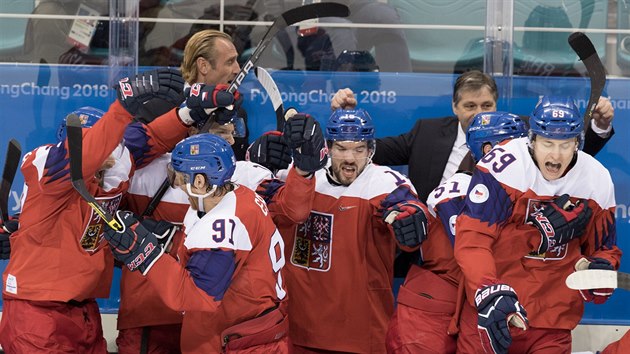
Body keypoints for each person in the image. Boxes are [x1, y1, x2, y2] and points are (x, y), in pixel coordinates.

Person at [0, 67, 205, 352]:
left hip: (84, 311)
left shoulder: (114, 164)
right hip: (37, 316)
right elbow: (85, 155)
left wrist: (187, 115)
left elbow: (151, 138)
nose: (109, 154)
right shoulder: (48, 164)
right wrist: (123, 106)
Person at [115, 29, 259, 354]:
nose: (238, 69)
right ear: (203, 66)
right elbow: (121, 162)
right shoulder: (158, 104)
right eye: (231, 60)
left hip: (205, 294)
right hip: (150, 296)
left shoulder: (238, 110)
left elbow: (233, 186)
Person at [454, 96, 621, 353]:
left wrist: (600, 269)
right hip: (495, 311)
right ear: (531, 139)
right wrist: (488, 290)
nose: (556, 155)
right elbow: (473, 239)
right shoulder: (503, 165)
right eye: (547, 143)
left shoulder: (596, 179)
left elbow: (604, 248)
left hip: (553, 319)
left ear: (578, 142)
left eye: (566, 145)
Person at [258, 109, 430, 353]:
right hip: (295, 329)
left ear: (370, 151)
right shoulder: (300, 174)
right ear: (328, 148)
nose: (350, 157)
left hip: (359, 335)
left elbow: (405, 205)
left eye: (359, 149)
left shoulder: (382, 181)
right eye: (341, 148)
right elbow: (265, 198)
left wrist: (410, 217)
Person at [103, 133, 290, 354]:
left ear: (199, 181)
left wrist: (143, 253)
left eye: (182, 180)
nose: (179, 187)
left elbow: (196, 297)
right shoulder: (240, 195)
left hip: (242, 342)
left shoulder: (224, 224)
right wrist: (169, 241)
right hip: (248, 331)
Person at [330, 70, 615, 202]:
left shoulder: (522, 132)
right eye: (469, 106)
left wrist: (598, 126)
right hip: (433, 248)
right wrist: (344, 122)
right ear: (455, 107)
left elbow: (567, 154)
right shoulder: (426, 132)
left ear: (497, 105)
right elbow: (367, 153)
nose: (478, 113)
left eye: (486, 105)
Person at [385, 111, 528, 353]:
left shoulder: (516, 192)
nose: (526, 154)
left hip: (468, 307)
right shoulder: (458, 190)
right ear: (488, 150)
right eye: (517, 146)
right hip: (430, 312)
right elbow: (475, 249)